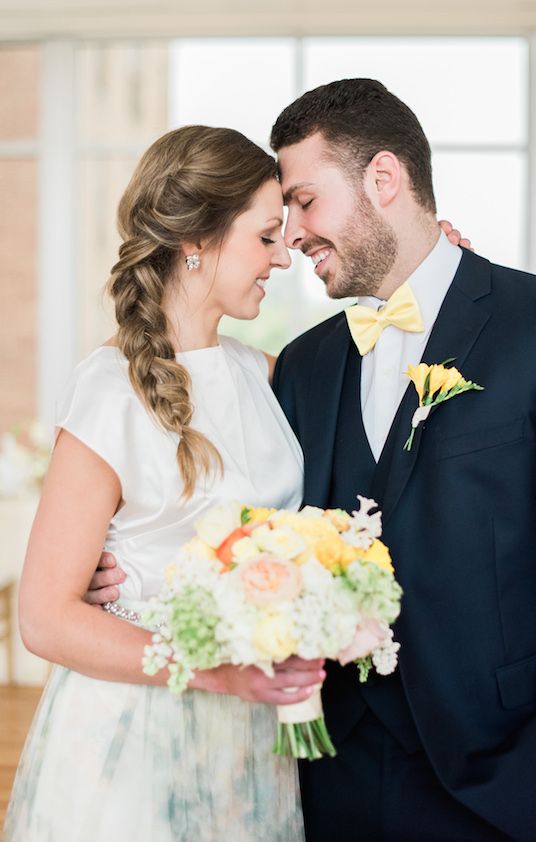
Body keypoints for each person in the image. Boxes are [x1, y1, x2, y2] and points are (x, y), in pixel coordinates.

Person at [4, 125, 325, 842]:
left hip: (246, 739)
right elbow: (46, 618)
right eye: (265, 237)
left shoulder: (264, 373)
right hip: (134, 732)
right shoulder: (110, 390)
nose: (282, 258)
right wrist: (215, 671)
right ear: (197, 241)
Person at [267, 78, 536, 841]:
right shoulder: (303, 364)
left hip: (502, 781)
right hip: (331, 776)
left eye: (304, 200)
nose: (291, 231)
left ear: (384, 179)